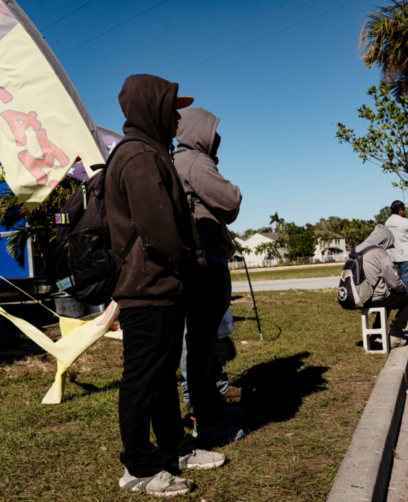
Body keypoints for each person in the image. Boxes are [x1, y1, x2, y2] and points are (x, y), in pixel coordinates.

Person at [105, 75, 225, 496]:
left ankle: (173, 448)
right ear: (152, 109)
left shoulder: (152, 153)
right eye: (173, 108)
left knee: (161, 376)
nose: (178, 118)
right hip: (148, 289)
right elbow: (160, 232)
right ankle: (138, 467)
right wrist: (192, 266)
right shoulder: (139, 157)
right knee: (142, 379)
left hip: (159, 287)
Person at [174, 107, 244, 441]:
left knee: (201, 345)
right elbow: (230, 202)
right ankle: (208, 420)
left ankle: (209, 408)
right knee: (200, 349)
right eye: (214, 132)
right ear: (201, 132)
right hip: (209, 263)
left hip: (199, 262)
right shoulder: (196, 162)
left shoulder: (179, 161)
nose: (217, 139)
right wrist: (235, 188)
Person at [356, 225, 408, 349]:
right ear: (384, 241)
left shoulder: (357, 249)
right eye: (389, 245)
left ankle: (376, 335)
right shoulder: (379, 253)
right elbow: (393, 282)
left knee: (387, 298)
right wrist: (403, 288)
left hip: (355, 296)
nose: (388, 248)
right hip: (371, 298)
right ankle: (395, 335)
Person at [385, 200, 408, 295]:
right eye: (404, 209)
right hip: (407, 256)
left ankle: (403, 303)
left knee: (402, 281)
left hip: (396, 257)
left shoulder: (387, 222)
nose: (405, 211)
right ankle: (407, 306)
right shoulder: (405, 221)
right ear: (400, 210)